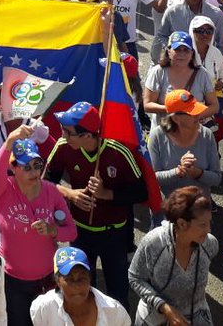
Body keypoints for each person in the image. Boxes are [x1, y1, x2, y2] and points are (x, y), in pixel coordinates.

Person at [45, 102, 147, 306]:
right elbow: (45, 183)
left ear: (88, 136)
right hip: (80, 232)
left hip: (114, 234)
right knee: (79, 290)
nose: (63, 135)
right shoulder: (63, 147)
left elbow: (141, 191)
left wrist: (106, 193)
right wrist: (70, 193)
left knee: (117, 294)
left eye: (68, 131)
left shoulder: (118, 152)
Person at [0, 127, 77, 325]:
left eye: (37, 165)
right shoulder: (3, 190)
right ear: (13, 168)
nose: (34, 171)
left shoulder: (51, 191)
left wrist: (53, 230)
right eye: (26, 167)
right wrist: (9, 142)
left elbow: (71, 232)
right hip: (13, 279)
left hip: (47, 278)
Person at [128, 187, 218, 326]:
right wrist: (164, 307)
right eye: (202, 225)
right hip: (154, 320)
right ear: (182, 224)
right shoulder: (153, 243)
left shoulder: (210, 244)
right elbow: (135, 278)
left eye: (209, 222)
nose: (209, 230)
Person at [148, 90, 222, 198]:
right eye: (192, 113)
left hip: (199, 210)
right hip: (169, 209)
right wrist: (178, 172)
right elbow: (152, 178)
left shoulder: (207, 134)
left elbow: (217, 178)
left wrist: (198, 173)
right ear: (175, 118)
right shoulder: (157, 136)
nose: (198, 115)